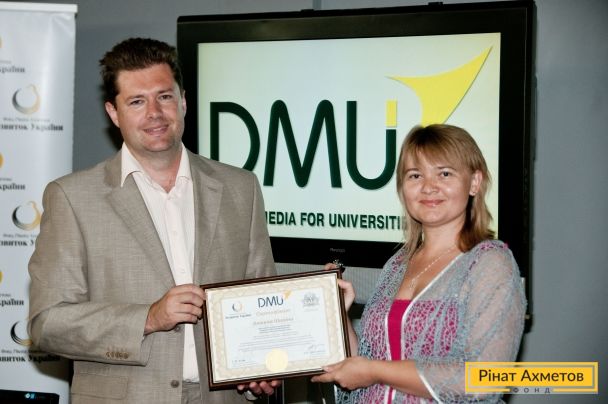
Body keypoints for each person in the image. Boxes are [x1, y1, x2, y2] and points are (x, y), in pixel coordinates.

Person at [28, 37, 278, 403]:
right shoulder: (72, 198)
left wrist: (261, 368)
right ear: (114, 113)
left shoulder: (241, 188)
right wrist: (148, 317)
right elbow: (47, 323)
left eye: (164, 96)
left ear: (183, 101)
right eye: (136, 101)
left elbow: (263, 302)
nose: (155, 113)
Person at [312, 124, 526, 403]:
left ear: (474, 182)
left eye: (444, 173)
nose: (428, 187)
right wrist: (339, 313)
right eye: (415, 175)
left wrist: (376, 371)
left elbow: (485, 379)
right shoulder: (397, 265)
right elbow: (363, 365)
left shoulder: (490, 262)